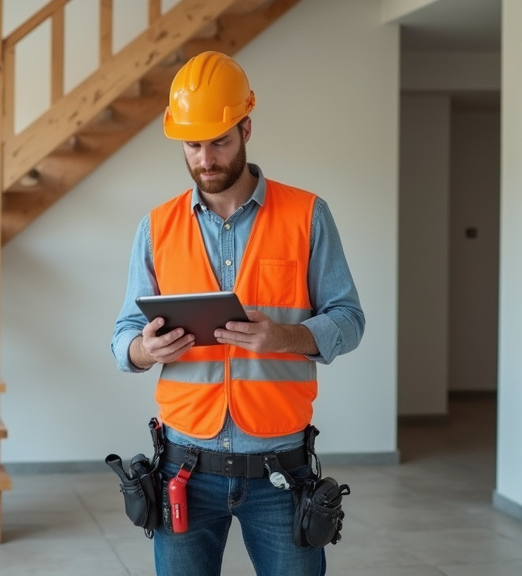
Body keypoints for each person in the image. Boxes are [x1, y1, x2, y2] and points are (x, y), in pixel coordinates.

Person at [111, 51, 365, 576]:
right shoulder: (155, 228)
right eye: (193, 144)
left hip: (280, 473)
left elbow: (348, 318)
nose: (206, 158)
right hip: (184, 467)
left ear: (246, 127)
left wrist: (286, 337)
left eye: (220, 141)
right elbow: (124, 336)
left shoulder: (307, 216)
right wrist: (143, 349)